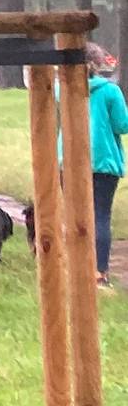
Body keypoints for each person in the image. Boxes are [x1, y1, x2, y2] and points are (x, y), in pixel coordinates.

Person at [88, 44, 128, 287]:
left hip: (67, 161)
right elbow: (122, 125)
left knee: (75, 217)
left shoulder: (61, 89)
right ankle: (99, 273)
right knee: (100, 215)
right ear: (99, 63)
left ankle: (75, 267)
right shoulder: (110, 91)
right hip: (103, 162)